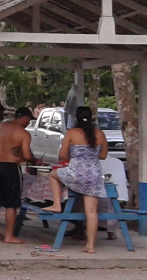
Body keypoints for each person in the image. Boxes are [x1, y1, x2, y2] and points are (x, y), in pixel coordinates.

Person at [42, 105, 109, 254]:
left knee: (53, 175)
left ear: (76, 118)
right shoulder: (100, 134)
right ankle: (90, 246)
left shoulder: (72, 133)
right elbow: (103, 155)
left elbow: (63, 155)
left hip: (75, 173)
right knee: (91, 212)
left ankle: (56, 204)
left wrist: (76, 156)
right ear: (91, 118)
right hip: (94, 175)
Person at [0, 106, 36, 244]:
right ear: (25, 118)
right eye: (29, 120)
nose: (28, 123)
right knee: (11, 204)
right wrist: (35, 160)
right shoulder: (24, 134)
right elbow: (27, 155)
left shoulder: (1, 126)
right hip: (10, 167)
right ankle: (9, 235)